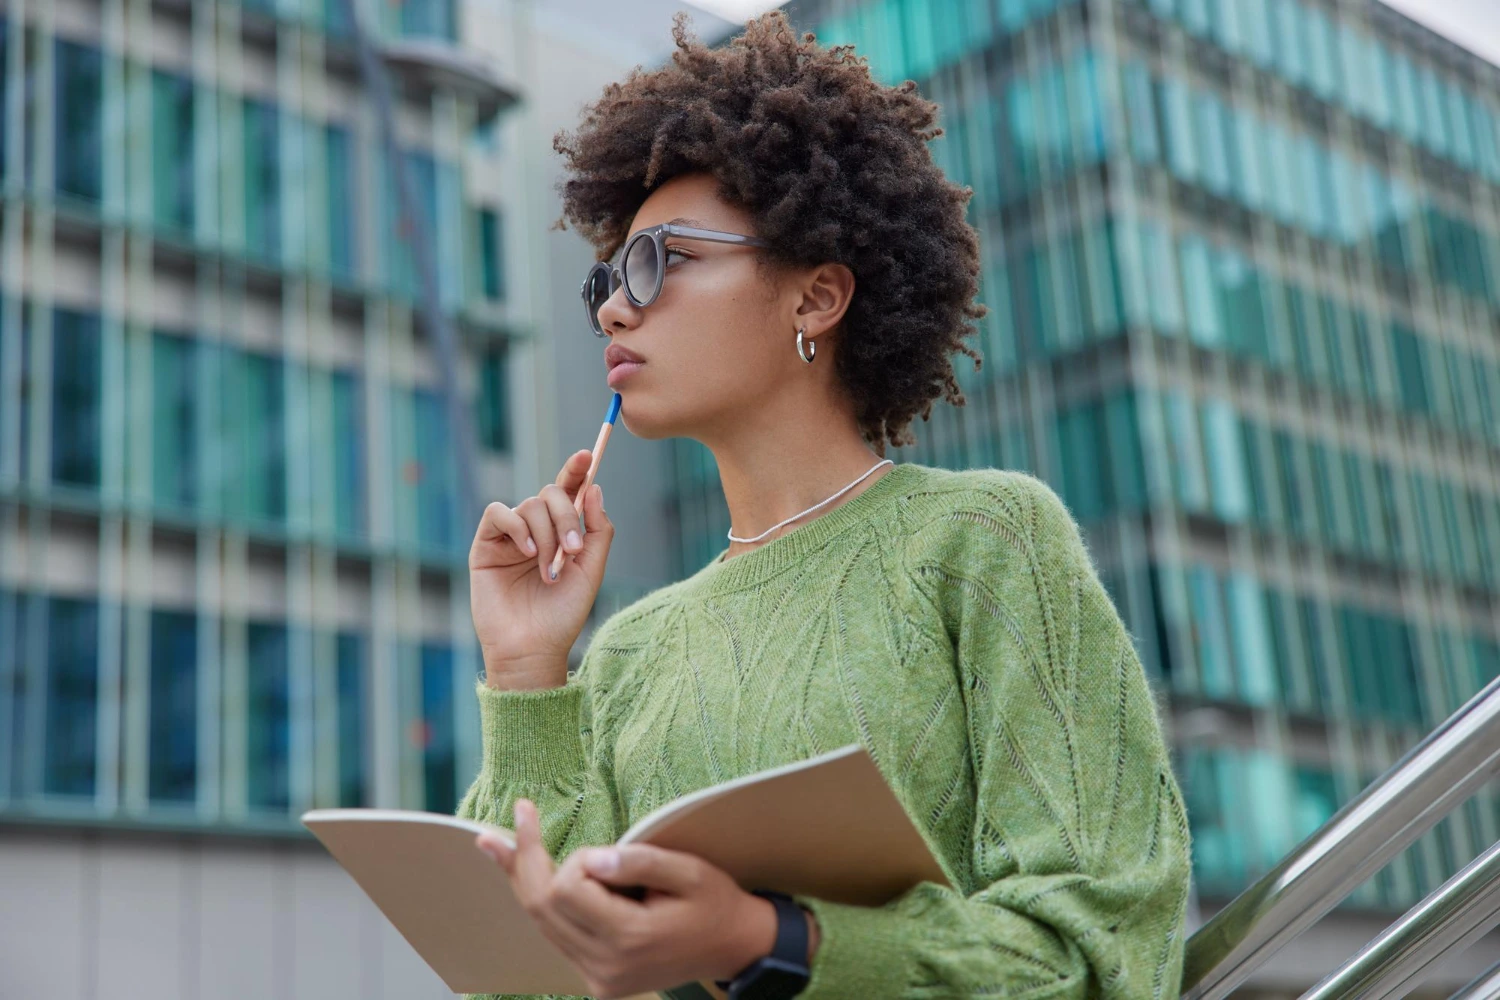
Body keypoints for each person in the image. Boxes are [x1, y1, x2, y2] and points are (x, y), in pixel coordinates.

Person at [460, 11, 1191, 1000]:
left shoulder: (981, 542)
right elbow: (522, 984)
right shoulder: (627, 655)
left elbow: (1101, 954)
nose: (611, 308)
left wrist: (772, 941)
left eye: (658, 262)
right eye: (607, 276)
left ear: (816, 298)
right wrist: (525, 669)